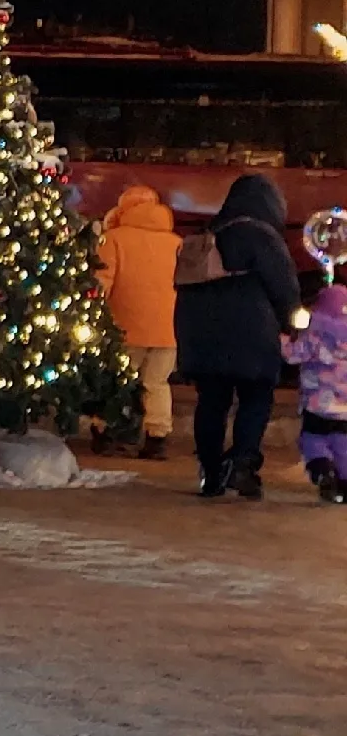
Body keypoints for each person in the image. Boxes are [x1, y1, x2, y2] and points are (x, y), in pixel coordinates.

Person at [172, 173, 301, 499]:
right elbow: (284, 287)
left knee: (211, 401)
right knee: (256, 397)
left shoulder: (207, 234)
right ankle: (242, 463)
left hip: (202, 335)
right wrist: (292, 322)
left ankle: (211, 471)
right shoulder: (262, 235)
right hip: (251, 335)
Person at [93, 183, 179, 457]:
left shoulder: (113, 239)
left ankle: (106, 431)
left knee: (116, 380)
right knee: (157, 383)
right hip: (168, 329)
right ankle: (157, 438)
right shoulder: (176, 243)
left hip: (124, 327)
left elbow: (102, 282)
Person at [283, 283, 347, 501]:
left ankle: (322, 469)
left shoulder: (315, 335)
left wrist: (283, 340)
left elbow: (293, 355)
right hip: (344, 409)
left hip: (316, 404)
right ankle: (344, 483)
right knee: (343, 445)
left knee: (312, 438)